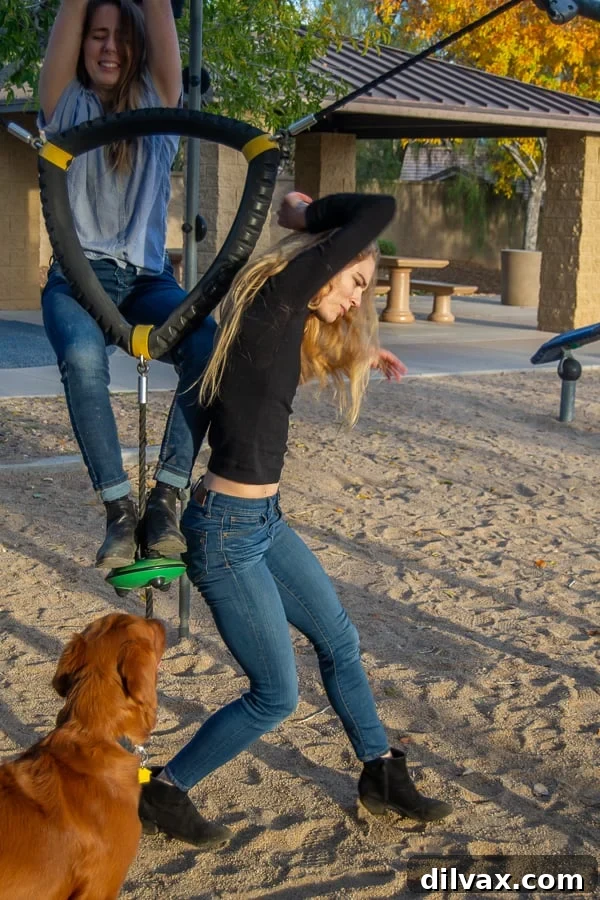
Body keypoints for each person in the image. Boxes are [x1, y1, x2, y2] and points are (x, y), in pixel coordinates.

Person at [138, 190, 453, 848]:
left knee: (339, 641)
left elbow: (263, 386)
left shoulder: (275, 325)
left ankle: (380, 774)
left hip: (262, 525)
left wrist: (357, 355)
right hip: (224, 536)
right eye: (356, 282)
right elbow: (377, 208)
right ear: (323, 264)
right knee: (276, 695)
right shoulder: (278, 297)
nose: (356, 300)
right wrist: (306, 216)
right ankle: (166, 790)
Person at [38, 0, 217, 569]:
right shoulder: (67, 108)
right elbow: (71, 13)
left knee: (205, 341)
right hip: (77, 279)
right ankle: (119, 511)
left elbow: (159, 12)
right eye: (97, 35)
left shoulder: (159, 109)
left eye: (120, 36)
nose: (108, 46)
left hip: (145, 280)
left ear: (138, 48)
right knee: (84, 357)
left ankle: (165, 496)